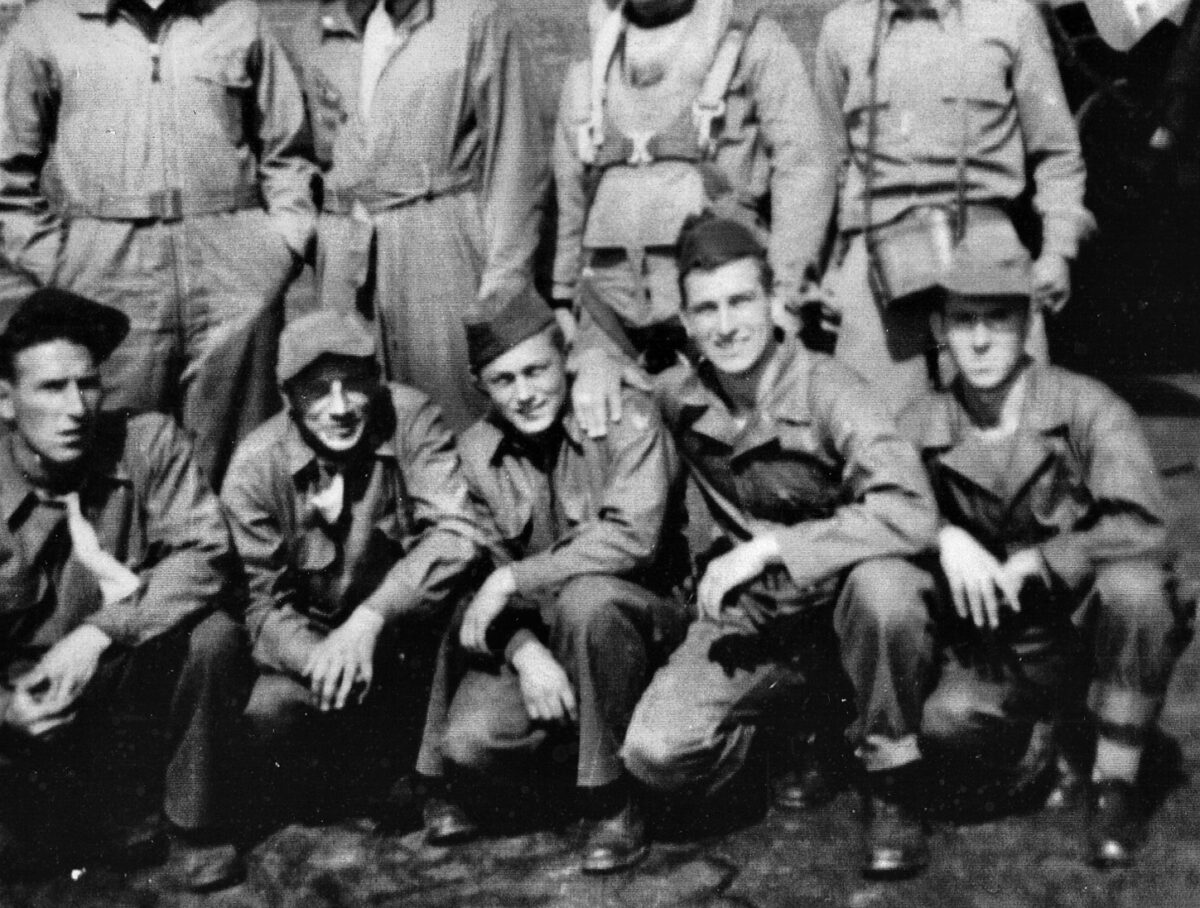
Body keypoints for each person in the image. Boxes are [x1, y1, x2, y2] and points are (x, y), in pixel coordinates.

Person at [609, 214, 940, 877]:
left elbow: (912, 510)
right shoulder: (679, 399)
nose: (726, 325)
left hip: (841, 609)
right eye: (707, 309)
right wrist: (595, 360)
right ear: (688, 323)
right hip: (755, 623)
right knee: (654, 752)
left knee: (888, 591)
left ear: (772, 302)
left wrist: (773, 548)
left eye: (740, 301)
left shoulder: (830, 389)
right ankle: (795, 732)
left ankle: (892, 782)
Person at [1, 0, 316, 486]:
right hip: (105, 271)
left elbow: (289, 149)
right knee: (122, 459)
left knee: (240, 462)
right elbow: (9, 172)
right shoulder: (48, 26)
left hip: (232, 266)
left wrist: (278, 248)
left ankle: (241, 588)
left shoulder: (239, 19)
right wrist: (58, 262)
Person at [897, 215, 1191, 868]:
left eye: (997, 318)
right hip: (997, 645)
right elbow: (871, 512)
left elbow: (1143, 522)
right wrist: (942, 534)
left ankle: (1115, 782)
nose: (979, 339)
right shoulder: (919, 424)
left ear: (1027, 321)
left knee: (1140, 588)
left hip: (1085, 624)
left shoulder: (1087, 407)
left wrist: (1046, 559)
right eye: (963, 319)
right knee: (947, 723)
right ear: (940, 329)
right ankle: (1049, 735)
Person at [414, 286, 690, 873]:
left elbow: (633, 540)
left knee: (590, 601)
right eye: (504, 380)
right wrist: (523, 649)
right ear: (481, 388)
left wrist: (517, 577)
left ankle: (612, 800)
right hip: (552, 638)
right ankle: (589, 745)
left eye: (537, 370)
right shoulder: (477, 455)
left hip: (648, 624)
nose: (526, 393)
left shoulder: (624, 415)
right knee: (470, 744)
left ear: (564, 360)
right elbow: (476, 579)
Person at [812, 0, 1092, 413]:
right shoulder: (842, 31)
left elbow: (1058, 154)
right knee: (874, 439)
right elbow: (825, 165)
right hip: (877, 253)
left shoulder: (1008, 21)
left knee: (1023, 437)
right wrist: (827, 271)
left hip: (986, 241)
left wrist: (1057, 250)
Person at [289, 0, 548, 433]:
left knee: (453, 415)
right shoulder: (316, 30)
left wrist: (502, 284)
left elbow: (517, 161)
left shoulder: (473, 15)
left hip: (441, 244)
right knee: (352, 413)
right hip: (347, 255)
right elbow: (295, 158)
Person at [0, 288, 249, 891]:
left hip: (123, 673)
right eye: (50, 389)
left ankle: (192, 825)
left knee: (215, 637)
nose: (76, 409)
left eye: (87, 385)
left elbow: (205, 553)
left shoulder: (147, 442)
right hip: (30, 704)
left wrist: (96, 634)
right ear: (5, 401)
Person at [553, 0, 837, 373]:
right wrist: (562, 294)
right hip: (612, 313)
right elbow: (573, 184)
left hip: (723, 310)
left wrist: (785, 293)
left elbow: (805, 166)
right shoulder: (592, 65)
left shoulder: (750, 43)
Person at [220, 309, 483, 823]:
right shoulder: (255, 469)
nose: (339, 408)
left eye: (353, 385)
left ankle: (435, 783)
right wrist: (325, 658)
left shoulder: (412, 418)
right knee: (266, 714)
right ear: (288, 398)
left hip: (405, 637)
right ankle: (350, 784)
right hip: (317, 654)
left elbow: (457, 534)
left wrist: (371, 619)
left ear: (376, 381)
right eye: (317, 391)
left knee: (459, 599)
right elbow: (259, 603)